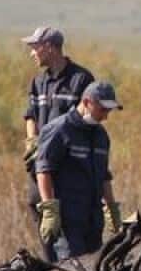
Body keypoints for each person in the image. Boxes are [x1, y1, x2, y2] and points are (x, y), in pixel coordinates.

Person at [34, 81, 123, 262]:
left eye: (109, 111)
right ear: (87, 102)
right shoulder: (60, 130)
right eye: (102, 110)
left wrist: (111, 208)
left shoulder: (101, 136)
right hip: (68, 219)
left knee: (95, 267)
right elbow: (44, 170)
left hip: (92, 218)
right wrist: (50, 208)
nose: (105, 116)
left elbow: (104, 175)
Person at [21, 26, 96, 217]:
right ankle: (49, 248)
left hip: (69, 163)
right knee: (37, 205)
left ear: (49, 47)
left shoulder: (81, 79)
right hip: (43, 162)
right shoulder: (38, 82)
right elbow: (30, 115)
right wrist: (32, 141)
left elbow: (89, 120)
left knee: (67, 215)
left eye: (35, 47)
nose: (32, 54)